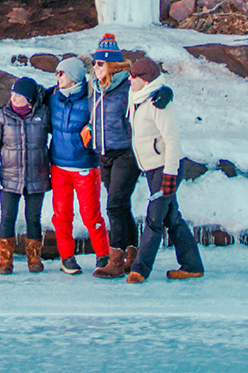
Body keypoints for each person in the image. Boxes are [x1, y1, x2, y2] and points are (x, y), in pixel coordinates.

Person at [124, 57, 204, 283]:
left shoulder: (159, 103)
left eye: (135, 76)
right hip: (151, 169)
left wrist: (170, 174)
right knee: (172, 218)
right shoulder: (137, 97)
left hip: (166, 167)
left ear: (146, 80)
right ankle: (192, 265)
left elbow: (172, 140)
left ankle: (140, 270)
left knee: (154, 219)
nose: (130, 79)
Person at [48, 57, 110, 275]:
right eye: (57, 73)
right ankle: (67, 257)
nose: (57, 77)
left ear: (74, 76)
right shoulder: (53, 97)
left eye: (61, 73)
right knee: (62, 214)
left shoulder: (92, 98)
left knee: (90, 214)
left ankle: (103, 255)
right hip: (59, 166)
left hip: (85, 165)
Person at [0, 76, 51, 275]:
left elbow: (60, 134)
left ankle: (34, 259)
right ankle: (5, 260)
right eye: (12, 94)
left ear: (29, 99)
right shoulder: (3, 116)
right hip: (9, 177)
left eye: (18, 95)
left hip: (36, 177)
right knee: (7, 218)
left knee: (33, 219)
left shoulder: (43, 115)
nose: (13, 98)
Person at [89, 33, 141, 279]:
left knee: (115, 206)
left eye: (99, 63)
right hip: (104, 154)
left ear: (111, 64)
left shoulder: (126, 88)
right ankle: (133, 252)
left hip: (126, 153)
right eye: (94, 63)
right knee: (121, 205)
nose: (95, 67)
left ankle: (116, 261)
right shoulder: (97, 89)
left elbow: (148, 96)